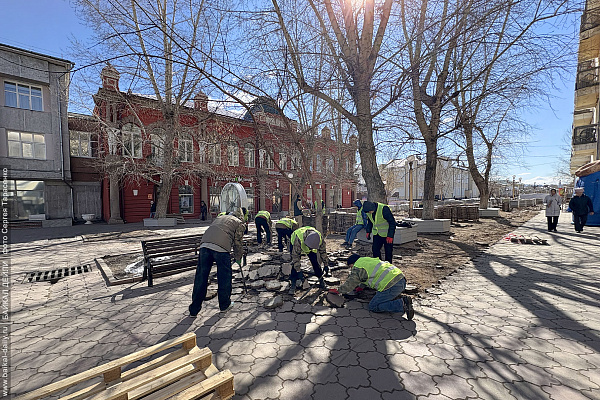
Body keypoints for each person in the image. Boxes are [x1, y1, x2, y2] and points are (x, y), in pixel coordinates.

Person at [189, 209, 245, 317]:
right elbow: (238, 242)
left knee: (201, 277)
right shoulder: (239, 223)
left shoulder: (220, 218)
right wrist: (238, 256)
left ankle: (194, 309)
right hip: (221, 248)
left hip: (204, 246)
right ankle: (224, 305)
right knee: (224, 277)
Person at [328, 254, 414, 319]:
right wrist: (361, 286)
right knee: (382, 297)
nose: (351, 269)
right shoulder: (367, 260)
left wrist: (338, 290)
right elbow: (367, 275)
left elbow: (350, 284)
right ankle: (397, 298)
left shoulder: (357, 267)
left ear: (353, 263)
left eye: (350, 267)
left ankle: (402, 304)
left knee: (373, 306)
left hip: (391, 285)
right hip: (401, 280)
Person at [289, 226, 330, 294]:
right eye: (309, 247)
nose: (310, 249)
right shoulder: (298, 239)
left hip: (307, 244)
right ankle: (293, 284)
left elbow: (323, 252)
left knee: (315, 262)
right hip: (295, 244)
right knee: (294, 265)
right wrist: (299, 271)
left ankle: (321, 281)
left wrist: (326, 264)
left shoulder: (319, 238)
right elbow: (295, 257)